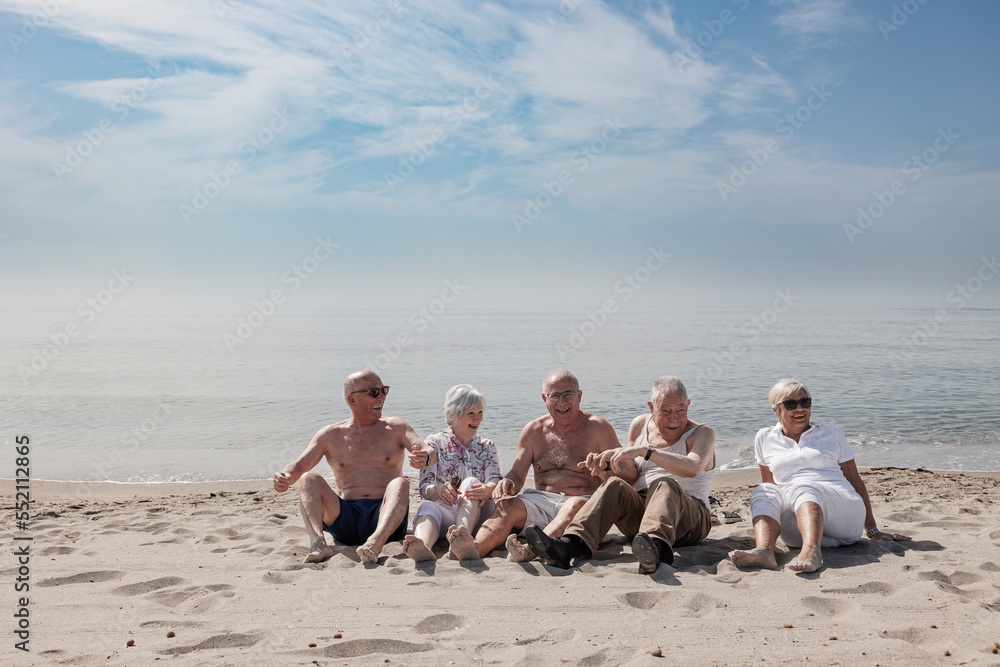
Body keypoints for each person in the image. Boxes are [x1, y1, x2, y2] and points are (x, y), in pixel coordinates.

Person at [526, 376, 715, 573]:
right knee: (614, 483)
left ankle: (656, 548)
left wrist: (647, 451)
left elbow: (693, 467)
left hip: (690, 518)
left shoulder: (702, 433)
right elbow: (631, 475)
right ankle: (569, 544)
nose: (674, 418)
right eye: (666, 410)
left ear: (689, 405)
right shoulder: (640, 425)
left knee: (664, 483)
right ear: (651, 407)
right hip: (643, 515)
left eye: (680, 409)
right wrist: (606, 466)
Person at [730, 379, 910, 574]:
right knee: (764, 490)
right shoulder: (764, 437)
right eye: (791, 404)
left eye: (805, 402)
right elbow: (770, 483)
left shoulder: (832, 434)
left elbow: (855, 481)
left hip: (843, 512)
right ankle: (765, 551)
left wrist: (873, 530)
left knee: (804, 485)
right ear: (776, 410)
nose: (799, 408)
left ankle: (811, 552)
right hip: (796, 530)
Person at [447, 369, 624, 561]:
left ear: (579, 396)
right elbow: (516, 476)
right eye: (555, 395)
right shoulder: (533, 431)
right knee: (507, 506)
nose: (562, 401)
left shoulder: (598, 427)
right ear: (544, 399)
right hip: (540, 501)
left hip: (581, 501)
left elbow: (628, 472)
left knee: (573, 505)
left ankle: (528, 551)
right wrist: (508, 483)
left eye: (568, 394)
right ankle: (474, 549)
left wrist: (605, 465)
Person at [273, 370, 434, 564]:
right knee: (308, 479)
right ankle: (318, 543)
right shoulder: (331, 435)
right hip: (346, 519)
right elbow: (299, 466)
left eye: (384, 390)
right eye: (374, 392)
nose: (382, 397)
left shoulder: (395, 427)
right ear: (353, 400)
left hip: (386, 518)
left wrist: (425, 457)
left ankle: (375, 543)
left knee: (400, 483)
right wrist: (285, 477)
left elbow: (427, 450)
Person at [402, 384, 502, 562]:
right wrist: (439, 490)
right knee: (426, 507)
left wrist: (487, 490)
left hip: (479, 513)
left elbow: (495, 480)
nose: (477, 418)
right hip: (447, 514)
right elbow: (425, 488)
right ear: (453, 414)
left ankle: (460, 540)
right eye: (471, 413)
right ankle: (422, 547)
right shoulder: (434, 443)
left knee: (471, 482)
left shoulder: (487, 446)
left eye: (480, 412)